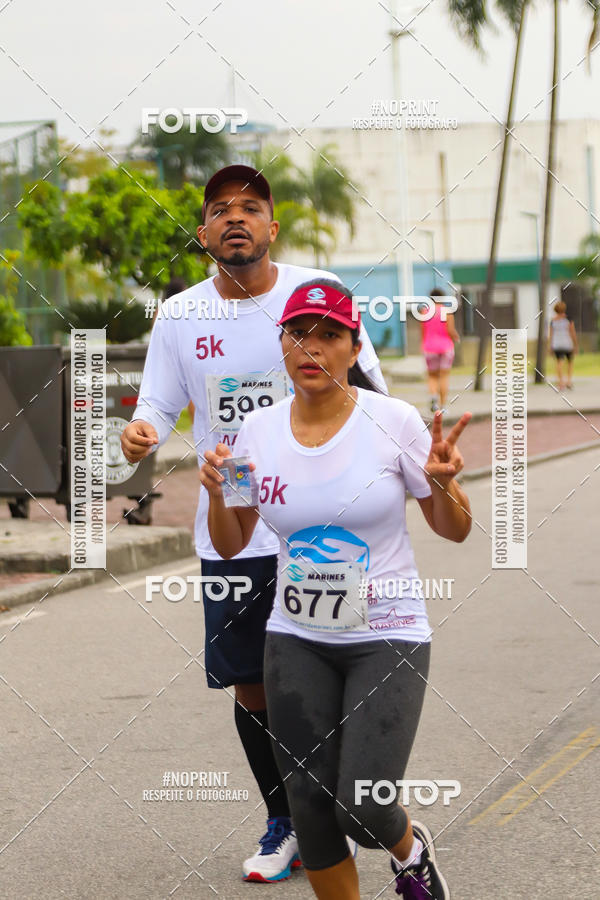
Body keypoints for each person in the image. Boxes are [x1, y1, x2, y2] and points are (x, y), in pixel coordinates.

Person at [120, 166, 386, 883]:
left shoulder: (313, 294)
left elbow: (372, 398)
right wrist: (139, 433)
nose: (235, 218)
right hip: (233, 506)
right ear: (204, 234)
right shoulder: (181, 316)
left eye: (251, 208)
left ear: (273, 227)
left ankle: (331, 811)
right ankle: (287, 821)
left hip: (317, 512)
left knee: (327, 677)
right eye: (219, 210)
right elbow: (155, 403)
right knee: (254, 686)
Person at [200, 279, 472, 899]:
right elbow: (232, 541)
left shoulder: (394, 421)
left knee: (364, 807)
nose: (312, 347)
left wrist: (446, 484)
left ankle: (410, 849)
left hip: (387, 634)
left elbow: (454, 530)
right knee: (311, 807)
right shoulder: (254, 433)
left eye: (330, 334)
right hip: (295, 637)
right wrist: (218, 495)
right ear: (283, 345)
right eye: (299, 333)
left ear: (354, 347)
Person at [421, 288, 460, 412]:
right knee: (443, 376)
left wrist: (423, 344)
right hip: (446, 347)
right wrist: (456, 337)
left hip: (429, 347)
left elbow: (423, 331)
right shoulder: (447, 312)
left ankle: (433, 398)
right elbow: (450, 331)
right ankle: (443, 407)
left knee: (432, 376)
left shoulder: (424, 312)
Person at [548, 300, 578, 390]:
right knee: (570, 363)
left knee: (559, 363)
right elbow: (572, 332)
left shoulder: (553, 321)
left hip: (557, 344)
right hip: (567, 343)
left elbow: (550, 334)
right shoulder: (568, 319)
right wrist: (575, 344)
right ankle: (568, 381)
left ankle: (561, 382)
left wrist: (550, 346)